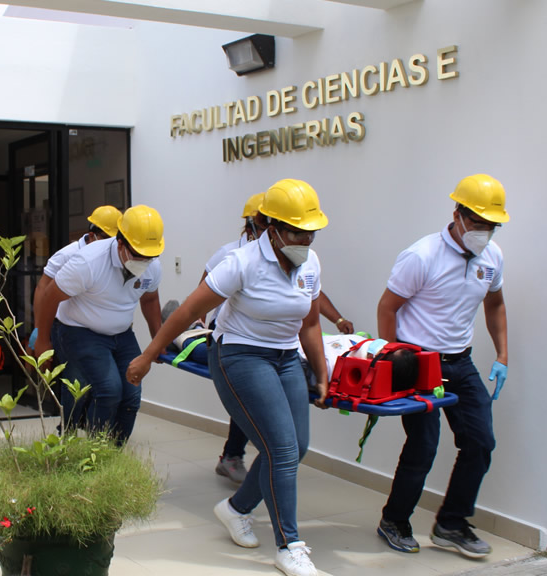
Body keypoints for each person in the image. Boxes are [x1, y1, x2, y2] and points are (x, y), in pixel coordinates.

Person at [127, 179, 330, 576]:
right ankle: (289, 546)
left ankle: (236, 509)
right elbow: (185, 313)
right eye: (296, 231)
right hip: (240, 355)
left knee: (296, 447)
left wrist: (322, 372)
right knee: (282, 450)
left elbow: (309, 322)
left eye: (310, 231)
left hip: (287, 358)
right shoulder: (241, 263)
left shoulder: (311, 263)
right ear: (272, 228)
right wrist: (149, 356)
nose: (305, 239)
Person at [375, 174, 509, 558]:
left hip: (460, 362)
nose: (484, 232)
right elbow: (388, 307)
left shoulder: (492, 257)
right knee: (424, 445)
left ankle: (451, 523)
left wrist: (502, 354)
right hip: (419, 362)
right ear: (457, 214)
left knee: (480, 443)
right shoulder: (422, 255)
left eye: (491, 225)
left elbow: (495, 303)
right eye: (478, 223)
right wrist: (396, 358)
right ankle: (394, 520)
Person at [204, 193, 354, 485]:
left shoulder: (300, 258)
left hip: (281, 344)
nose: (305, 239)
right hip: (233, 337)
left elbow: (311, 303)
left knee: (286, 443)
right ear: (258, 226)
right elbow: (199, 299)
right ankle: (236, 462)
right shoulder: (234, 256)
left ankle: (237, 500)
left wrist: (336, 321)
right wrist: (200, 330)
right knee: (278, 442)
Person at [34, 204, 164, 445]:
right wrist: (42, 339)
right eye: (138, 253)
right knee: (109, 389)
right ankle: (93, 455)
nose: (144, 260)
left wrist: (158, 340)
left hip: (122, 333)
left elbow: (150, 299)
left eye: (150, 255)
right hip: (80, 331)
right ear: (121, 243)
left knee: (132, 394)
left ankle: (112, 456)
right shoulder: (88, 261)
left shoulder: (151, 266)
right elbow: (49, 295)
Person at [32, 205, 121, 334]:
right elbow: (42, 288)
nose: (110, 244)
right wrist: (38, 328)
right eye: (106, 238)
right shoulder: (68, 254)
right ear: (92, 235)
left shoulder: (114, 257)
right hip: (65, 326)